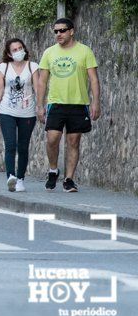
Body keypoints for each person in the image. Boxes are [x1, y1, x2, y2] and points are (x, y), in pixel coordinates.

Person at [36, 18, 100, 193]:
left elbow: (94, 79)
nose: (59, 34)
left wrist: (96, 102)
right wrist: (40, 105)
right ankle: (53, 169)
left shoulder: (84, 51)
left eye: (62, 30)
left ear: (71, 31)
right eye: (56, 31)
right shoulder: (49, 53)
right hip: (56, 103)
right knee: (52, 139)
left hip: (78, 103)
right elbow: (42, 81)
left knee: (73, 141)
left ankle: (69, 179)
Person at [0, 38, 39, 193]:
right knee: (10, 145)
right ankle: (10, 176)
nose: (19, 51)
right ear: (9, 54)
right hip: (7, 111)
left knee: (23, 147)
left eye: (20, 48)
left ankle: (20, 179)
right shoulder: (4, 67)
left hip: (28, 112)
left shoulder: (33, 67)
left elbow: (38, 88)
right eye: (15, 50)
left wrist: (40, 107)